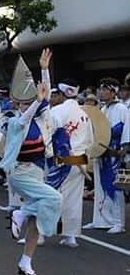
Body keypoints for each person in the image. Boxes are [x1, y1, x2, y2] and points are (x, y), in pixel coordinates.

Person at [1, 50, 62, 275]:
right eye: (23, 102)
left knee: (37, 219)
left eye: (31, 101)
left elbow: (44, 96)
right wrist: (35, 101)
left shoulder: (41, 117)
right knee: (54, 199)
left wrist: (44, 69)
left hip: (38, 171)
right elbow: (28, 113)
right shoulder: (14, 121)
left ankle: (26, 261)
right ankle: (20, 212)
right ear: (16, 102)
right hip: (20, 173)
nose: (29, 105)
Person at [47, 78, 94, 247]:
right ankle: (70, 236)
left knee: (48, 197)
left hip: (60, 162)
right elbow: (90, 140)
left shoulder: (57, 111)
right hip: (79, 161)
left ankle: (40, 234)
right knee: (73, 199)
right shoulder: (84, 113)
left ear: (61, 94)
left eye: (55, 94)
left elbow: (47, 135)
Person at [85, 77, 129, 234]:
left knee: (115, 187)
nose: (101, 92)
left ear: (113, 92)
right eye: (101, 89)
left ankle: (118, 222)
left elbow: (126, 132)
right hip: (101, 153)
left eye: (105, 89)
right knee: (99, 186)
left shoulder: (122, 109)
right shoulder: (102, 110)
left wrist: (122, 152)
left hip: (115, 155)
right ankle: (100, 220)